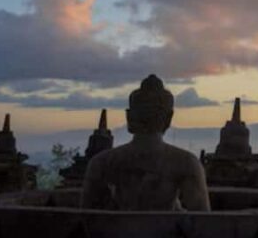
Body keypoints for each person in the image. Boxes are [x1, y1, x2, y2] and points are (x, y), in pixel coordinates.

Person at [81, 74, 211, 211]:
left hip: (117, 232)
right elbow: (201, 222)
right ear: (168, 118)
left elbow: (89, 219)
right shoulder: (187, 163)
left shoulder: (101, 162)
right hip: (167, 231)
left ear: (129, 118)